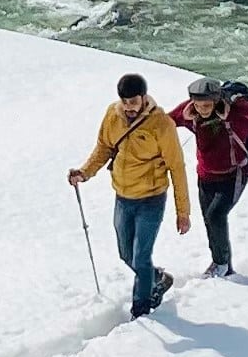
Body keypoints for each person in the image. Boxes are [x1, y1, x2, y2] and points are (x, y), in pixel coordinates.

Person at [69, 71, 191, 317]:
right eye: (124, 102)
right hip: (123, 197)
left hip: (151, 198)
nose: (128, 108)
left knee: (141, 256)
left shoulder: (162, 125)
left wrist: (183, 212)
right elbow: (104, 147)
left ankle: (141, 309)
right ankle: (157, 278)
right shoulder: (112, 115)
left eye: (133, 102)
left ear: (144, 98)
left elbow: (177, 168)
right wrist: (84, 173)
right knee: (126, 254)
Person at [172, 75, 248, 274]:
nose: (202, 110)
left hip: (234, 175)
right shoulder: (190, 111)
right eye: (198, 105)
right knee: (210, 219)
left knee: (215, 215)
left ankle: (221, 264)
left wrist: (242, 106)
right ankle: (222, 265)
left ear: (217, 100)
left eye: (207, 105)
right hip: (205, 174)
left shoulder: (234, 113)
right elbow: (166, 121)